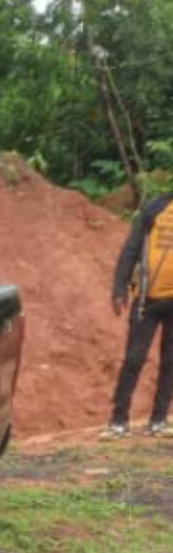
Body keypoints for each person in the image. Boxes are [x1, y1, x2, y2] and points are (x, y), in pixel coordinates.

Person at [106, 188, 173, 438]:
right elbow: (131, 249)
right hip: (147, 300)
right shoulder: (156, 207)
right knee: (134, 359)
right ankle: (118, 420)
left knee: (170, 362)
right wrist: (119, 289)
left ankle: (159, 420)